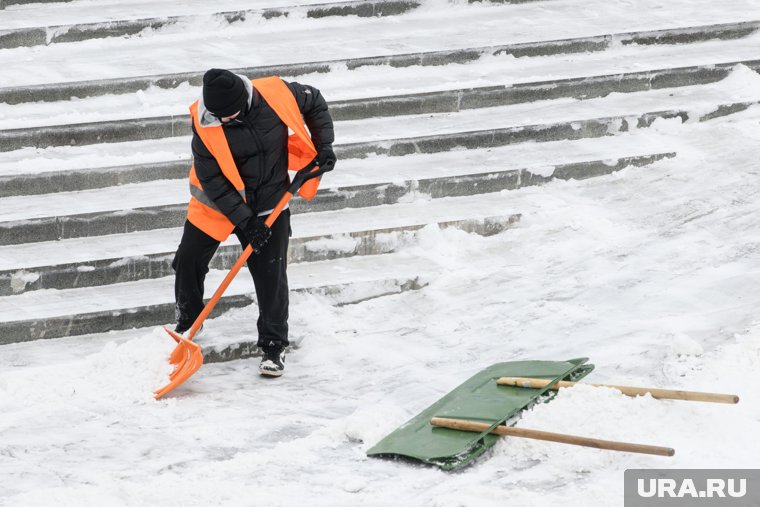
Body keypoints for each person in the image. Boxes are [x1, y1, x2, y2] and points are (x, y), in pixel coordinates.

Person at [172, 68, 336, 377]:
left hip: (268, 201)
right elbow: (211, 178)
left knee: (271, 274)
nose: (220, 121)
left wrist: (324, 144)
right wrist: (245, 221)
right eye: (215, 115)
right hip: (217, 203)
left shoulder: (278, 94)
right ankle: (188, 321)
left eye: (227, 115)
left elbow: (315, 102)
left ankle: (273, 346)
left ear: (244, 100)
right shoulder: (204, 119)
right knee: (189, 260)